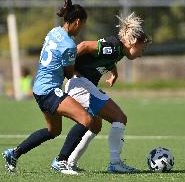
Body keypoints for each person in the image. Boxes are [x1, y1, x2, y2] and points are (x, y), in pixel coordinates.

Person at [2, 0, 93, 175]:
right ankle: (61, 161)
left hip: (39, 88)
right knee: (86, 119)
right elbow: (69, 74)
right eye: (81, 25)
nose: (80, 29)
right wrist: (84, 71)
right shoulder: (68, 45)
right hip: (50, 90)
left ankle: (14, 153)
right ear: (76, 22)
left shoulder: (54, 31)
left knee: (54, 130)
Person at [64, 12, 151, 173]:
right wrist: (63, 62)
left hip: (82, 84)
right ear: (133, 42)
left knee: (94, 124)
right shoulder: (113, 46)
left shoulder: (118, 51)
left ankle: (69, 162)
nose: (141, 55)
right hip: (80, 83)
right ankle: (115, 163)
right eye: (141, 49)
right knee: (120, 118)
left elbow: (108, 59)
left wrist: (114, 73)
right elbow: (83, 46)